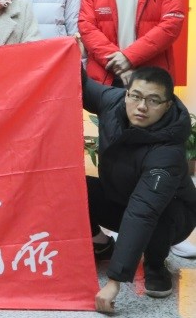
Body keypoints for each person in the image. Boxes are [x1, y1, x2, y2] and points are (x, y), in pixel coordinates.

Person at [83, 66, 196, 313]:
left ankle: (155, 264)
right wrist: (64, 51)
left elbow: (143, 211)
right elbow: (79, 84)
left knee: (159, 211)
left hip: (171, 216)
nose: (141, 106)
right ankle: (102, 244)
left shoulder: (168, 152)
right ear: (127, 94)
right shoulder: (113, 102)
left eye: (153, 100)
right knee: (77, 188)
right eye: (136, 96)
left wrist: (114, 281)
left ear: (167, 105)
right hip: (120, 198)